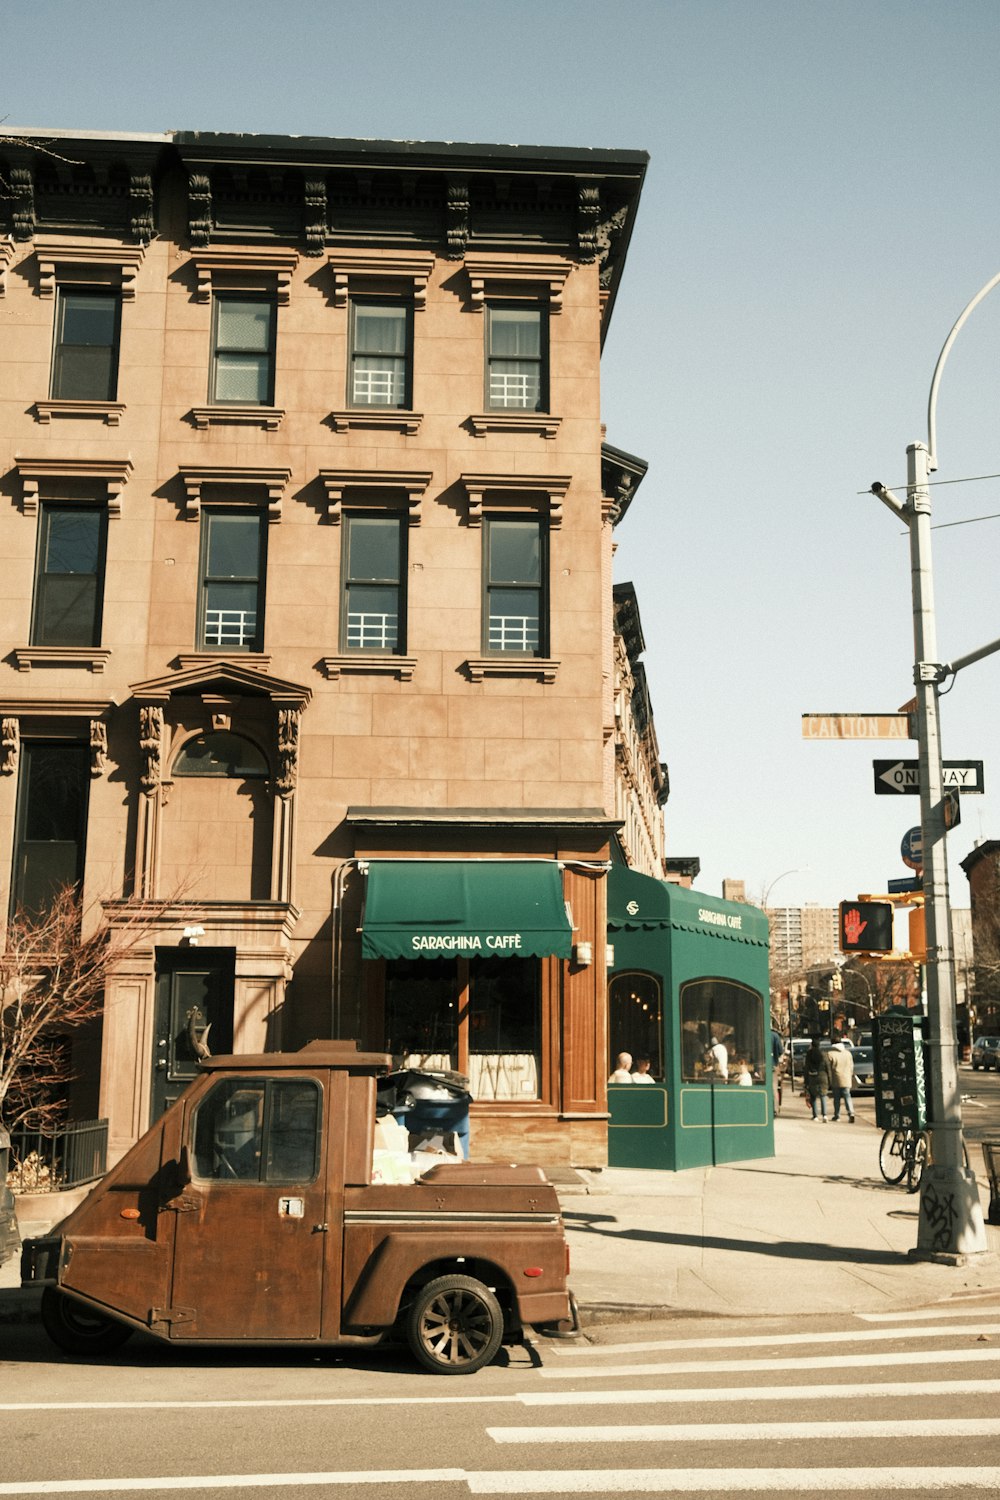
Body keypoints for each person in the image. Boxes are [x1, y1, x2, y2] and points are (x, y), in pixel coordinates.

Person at [827, 1037, 856, 1122]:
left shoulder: (830, 1054)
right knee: (847, 1096)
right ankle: (851, 1113)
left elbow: (829, 1068)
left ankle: (837, 1115)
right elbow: (851, 1066)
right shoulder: (848, 1053)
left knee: (836, 1098)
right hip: (847, 1078)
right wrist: (850, 1074)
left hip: (836, 1078)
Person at [803, 1037, 831, 1121]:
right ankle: (824, 1115)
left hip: (812, 1076)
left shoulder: (809, 1054)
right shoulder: (824, 1054)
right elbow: (828, 1067)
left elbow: (806, 1067)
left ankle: (815, 1115)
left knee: (813, 1096)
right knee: (823, 1095)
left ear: (812, 1045)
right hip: (823, 1076)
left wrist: (806, 1081)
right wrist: (830, 1079)